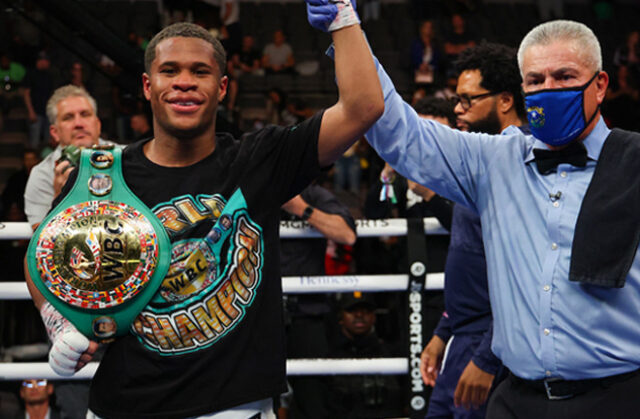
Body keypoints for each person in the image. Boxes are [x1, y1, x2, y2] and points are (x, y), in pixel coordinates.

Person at [27, 3, 383, 416]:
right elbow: (40, 258)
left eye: (200, 72)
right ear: (147, 85)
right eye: (170, 71)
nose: (184, 83)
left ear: (223, 87)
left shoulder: (260, 160)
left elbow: (363, 107)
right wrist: (58, 320)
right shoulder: (102, 179)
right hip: (125, 404)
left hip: (235, 407)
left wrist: (341, 14)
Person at [357, 18, 638, 419]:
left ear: (600, 84)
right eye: (536, 79)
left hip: (617, 398)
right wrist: (345, 24)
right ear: (522, 89)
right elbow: (395, 130)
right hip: (514, 398)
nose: (549, 89)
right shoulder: (493, 162)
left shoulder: (634, 163)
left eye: (564, 76)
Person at [420, 42, 526, 419]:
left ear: (505, 100)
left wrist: (486, 356)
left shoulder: (518, 172)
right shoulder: (478, 168)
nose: (458, 111)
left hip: (492, 344)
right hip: (463, 338)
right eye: (456, 100)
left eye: (467, 100)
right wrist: (442, 333)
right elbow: (471, 265)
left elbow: (523, 283)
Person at [280, 184, 356, 419]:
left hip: (306, 314)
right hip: (258, 315)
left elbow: (346, 235)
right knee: (257, 398)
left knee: (314, 400)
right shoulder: (252, 189)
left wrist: (300, 208)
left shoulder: (312, 195)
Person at [23, 85, 107, 230]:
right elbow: (42, 241)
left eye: (85, 114)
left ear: (98, 124)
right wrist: (60, 198)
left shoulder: (127, 157)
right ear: (55, 132)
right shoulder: (42, 174)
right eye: (68, 118)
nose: (79, 124)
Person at [326, 293, 403, 419]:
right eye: (352, 310)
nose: (359, 315)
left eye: (366, 310)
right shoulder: (329, 358)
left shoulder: (392, 354)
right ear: (340, 317)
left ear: (374, 317)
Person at [22, 51, 54, 149]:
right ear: (38, 61)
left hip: (48, 113)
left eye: (46, 60)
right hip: (36, 112)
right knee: (34, 143)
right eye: (42, 60)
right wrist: (31, 111)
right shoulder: (31, 74)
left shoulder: (50, 76)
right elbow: (26, 94)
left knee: (49, 143)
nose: (44, 63)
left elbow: (53, 94)